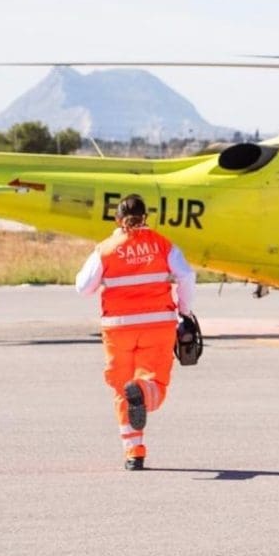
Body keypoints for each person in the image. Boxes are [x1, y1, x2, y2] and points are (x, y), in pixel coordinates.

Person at [75, 193, 196, 471]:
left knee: (121, 389)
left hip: (118, 329)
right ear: (146, 218)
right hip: (157, 324)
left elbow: (83, 288)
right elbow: (187, 276)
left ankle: (134, 451)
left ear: (117, 219)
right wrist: (185, 312)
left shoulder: (105, 250)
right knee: (154, 385)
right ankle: (141, 390)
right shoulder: (163, 245)